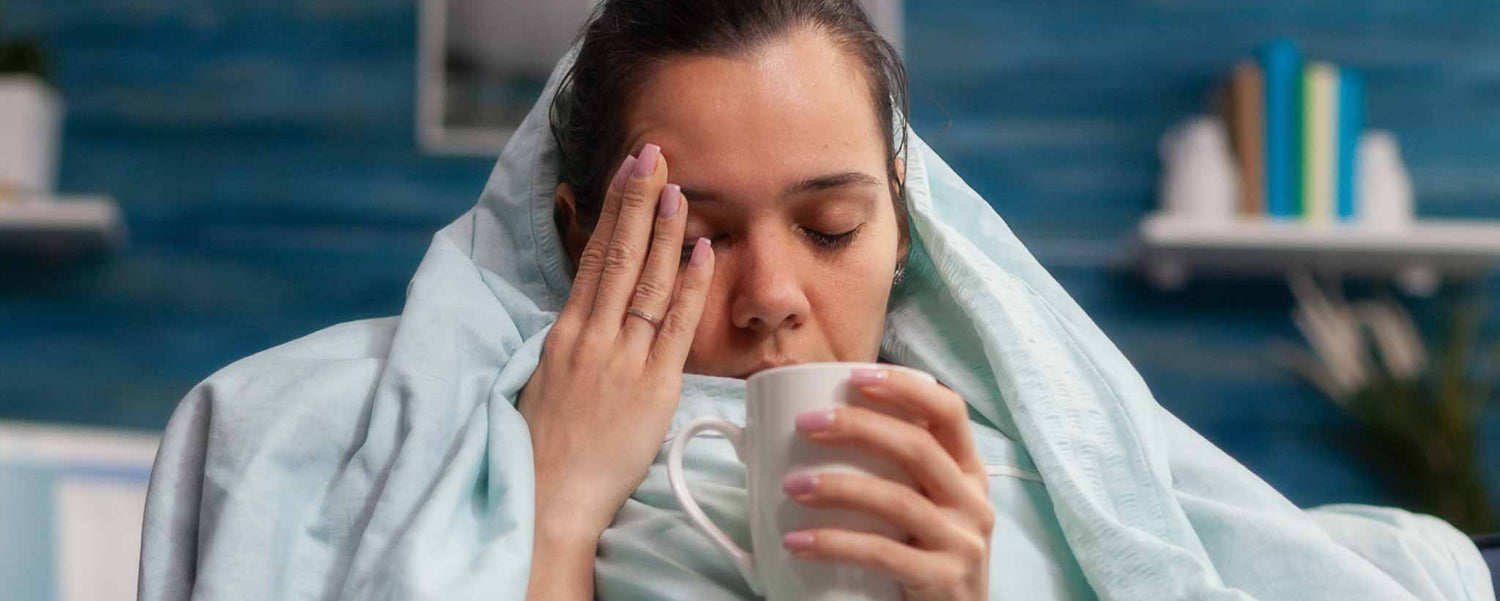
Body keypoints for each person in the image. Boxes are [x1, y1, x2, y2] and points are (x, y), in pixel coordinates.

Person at [139, 1, 1494, 600]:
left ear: (909, 234)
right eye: (699, 233)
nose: (775, 295)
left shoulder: (1016, 479)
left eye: (832, 222)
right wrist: (558, 506)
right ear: (578, 233)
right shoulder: (402, 452)